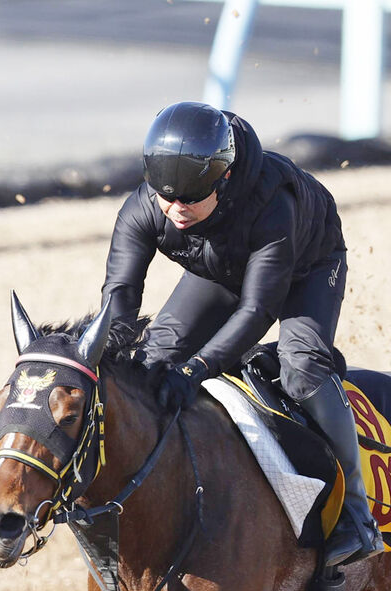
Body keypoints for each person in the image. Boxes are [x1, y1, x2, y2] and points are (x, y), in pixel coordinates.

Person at [101, 100, 382, 566]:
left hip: (307, 267)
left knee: (301, 368)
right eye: (165, 198)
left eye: (189, 199)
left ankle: (357, 514)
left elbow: (257, 311)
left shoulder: (274, 204)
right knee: (148, 363)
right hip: (219, 266)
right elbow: (120, 299)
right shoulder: (148, 206)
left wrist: (195, 370)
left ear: (224, 178)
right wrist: (103, 355)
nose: (175, 210)